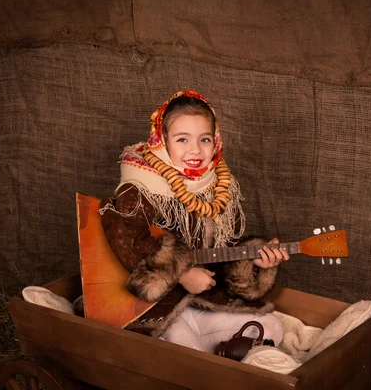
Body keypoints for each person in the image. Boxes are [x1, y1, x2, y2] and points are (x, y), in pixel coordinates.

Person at [100, 89, 289, 353]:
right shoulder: (140, 186)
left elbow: (224, 250)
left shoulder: (220, 187)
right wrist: (183, 272)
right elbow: (128, 241)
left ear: (216, 142)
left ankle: (214, 353)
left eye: (205, 139)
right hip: (153, 307)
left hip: (198, 302)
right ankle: (201, 355)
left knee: (272, 327)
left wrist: (253, 263)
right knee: (192, 357)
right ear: (162, 141)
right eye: (182, 140)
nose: (195, 150)